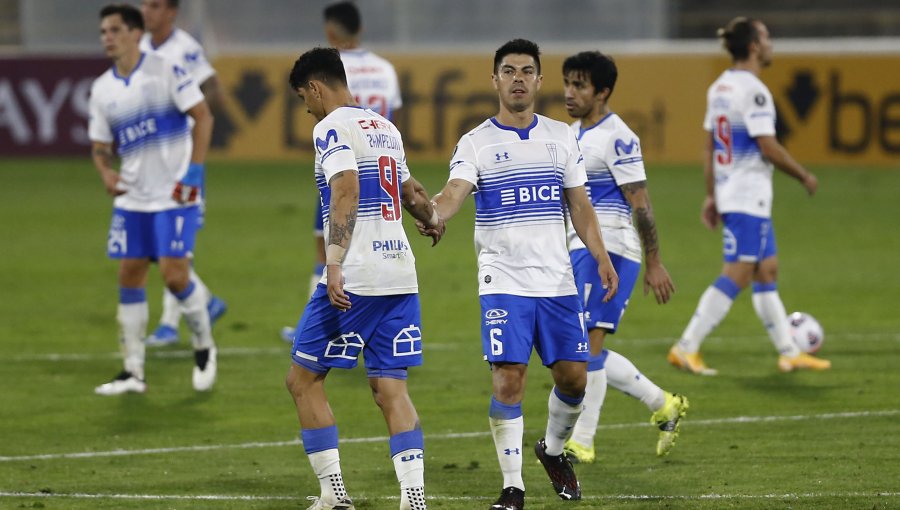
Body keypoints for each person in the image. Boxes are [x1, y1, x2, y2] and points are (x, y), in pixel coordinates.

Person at [422, 39, 618, 510]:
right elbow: (454, 191)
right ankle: (513, 487)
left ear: (538, 80)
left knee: (575, 380)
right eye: (508, 71)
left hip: (557, 281)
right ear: (494, 80)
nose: (517, 78)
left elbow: (581, 206)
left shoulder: (559, 137)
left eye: (526, 71)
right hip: (504, 280)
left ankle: (551, 451)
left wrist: (603, 256)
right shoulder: (476, 142)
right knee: (509, 380)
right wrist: (434, 213)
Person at [285, 47, 444, 510]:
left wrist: (333, 262)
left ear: (315, 87)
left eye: (304, 98)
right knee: (390, 388)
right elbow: (411, 190)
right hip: (400, 273)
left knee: (302, 381)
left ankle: (333, 494)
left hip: (357, 276)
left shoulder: (330, 127)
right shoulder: (385, 127)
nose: (307, 108)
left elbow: (346, 188)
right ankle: (413, 499)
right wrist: (431, 217)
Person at [668, 17, 831, 375]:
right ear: (755, 46)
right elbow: (768, 147)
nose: (772, 44)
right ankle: (686, 346)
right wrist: (803, 175)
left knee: (766, 270)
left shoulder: (719, 88)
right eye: (767, 37)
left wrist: (711, 195)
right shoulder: (754, 92)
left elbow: (709, 147)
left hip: (732, 192)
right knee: (739, 272)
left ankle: (789, 351)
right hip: (747, 196)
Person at [555, 51, 688, 463]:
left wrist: (654, 260)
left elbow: (641, 203)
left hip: (612, 250)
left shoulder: (619, 136)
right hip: (578, 249)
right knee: (574, 349)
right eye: (567, 83)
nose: (569, 92)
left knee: (585, 348)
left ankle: (584, 441)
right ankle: (662, 404)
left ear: (603, 91)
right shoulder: (572, 134)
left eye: (580, 85)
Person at [89, 3, 217, 395]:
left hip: (175, 192)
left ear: (132, 32)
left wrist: (194, 171)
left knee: (175, 275)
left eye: (113, 30)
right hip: (132, 199)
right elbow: (99, 145)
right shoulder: (102, 89)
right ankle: (133, 372)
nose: (106, 37)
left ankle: (204, 345)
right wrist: (106, 172)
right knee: (129, 274)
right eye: (103, 32)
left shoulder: (165, 68)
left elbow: (204, 116)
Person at [282, 0, 404, 343]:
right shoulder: (385, 70)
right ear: (360, 29)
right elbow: (390, 118)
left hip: (343, 168)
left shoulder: (330, 70)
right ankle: (361, 323)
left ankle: (319, 323)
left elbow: (335, 118)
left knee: (328, 249)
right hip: (383, 171)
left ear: (330, 31)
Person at [139, 0, 227, 347]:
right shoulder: (141, 47)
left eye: (155, 5)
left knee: (174, 245)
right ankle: (206, 301)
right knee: (158, 244)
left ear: (172, 12)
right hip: (152, 159)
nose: (146, 11)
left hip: (184, 158)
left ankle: (168, 324)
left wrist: (191, 115)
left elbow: (213, 90)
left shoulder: (185, 49)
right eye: (144, 4)